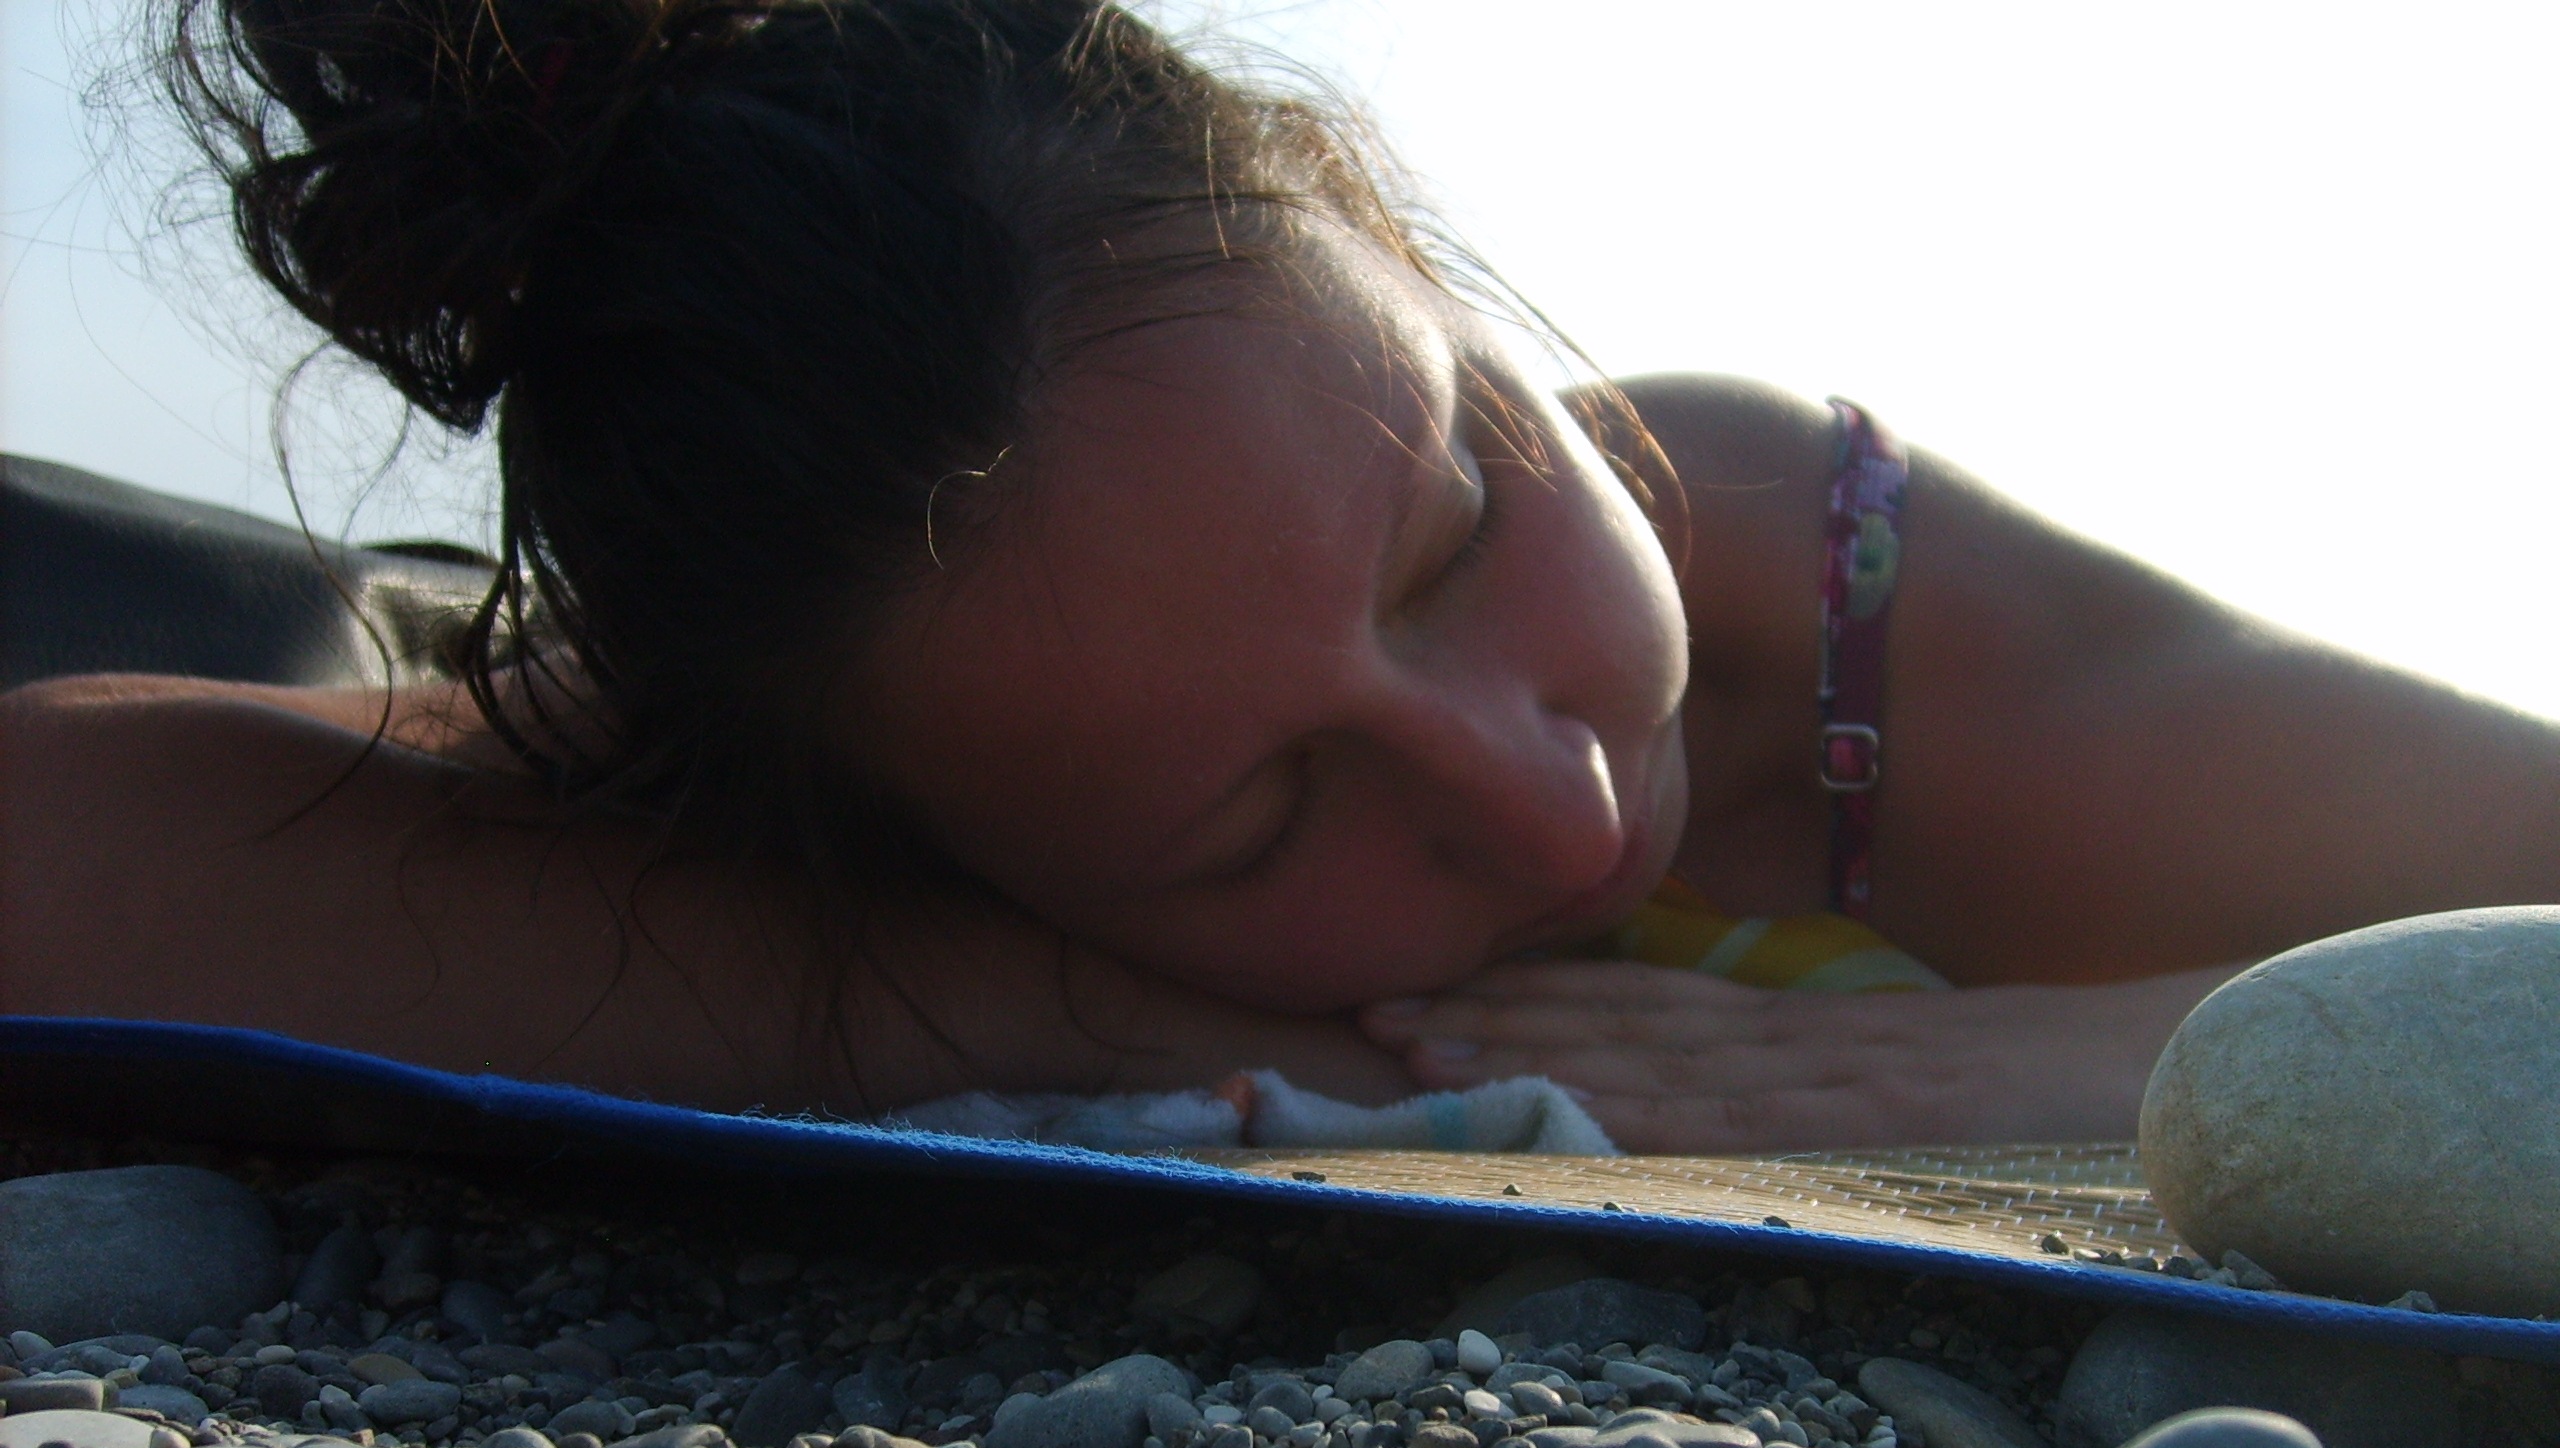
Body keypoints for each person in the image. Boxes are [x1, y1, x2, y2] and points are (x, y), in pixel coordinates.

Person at [6, 0, 2559, 1152]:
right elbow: (54, 854)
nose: (1551, 809)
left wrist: (2095, 1065)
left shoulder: (1820, 607)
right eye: (1253, 823)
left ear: (1408, 253)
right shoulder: (855, 766)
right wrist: (1100, 1027)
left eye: (1458, 527)